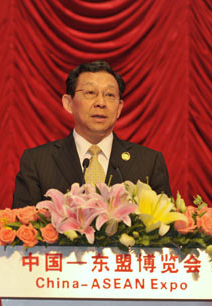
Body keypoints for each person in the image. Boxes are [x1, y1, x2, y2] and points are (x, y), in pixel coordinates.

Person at [12, 61, 171, 208]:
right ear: (68, 103)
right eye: (90, 92)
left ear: (119, 108)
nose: (101, 102)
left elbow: (166, 231)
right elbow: (23, 229)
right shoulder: (37, 162)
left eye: (109, 95)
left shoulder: (149, 163)